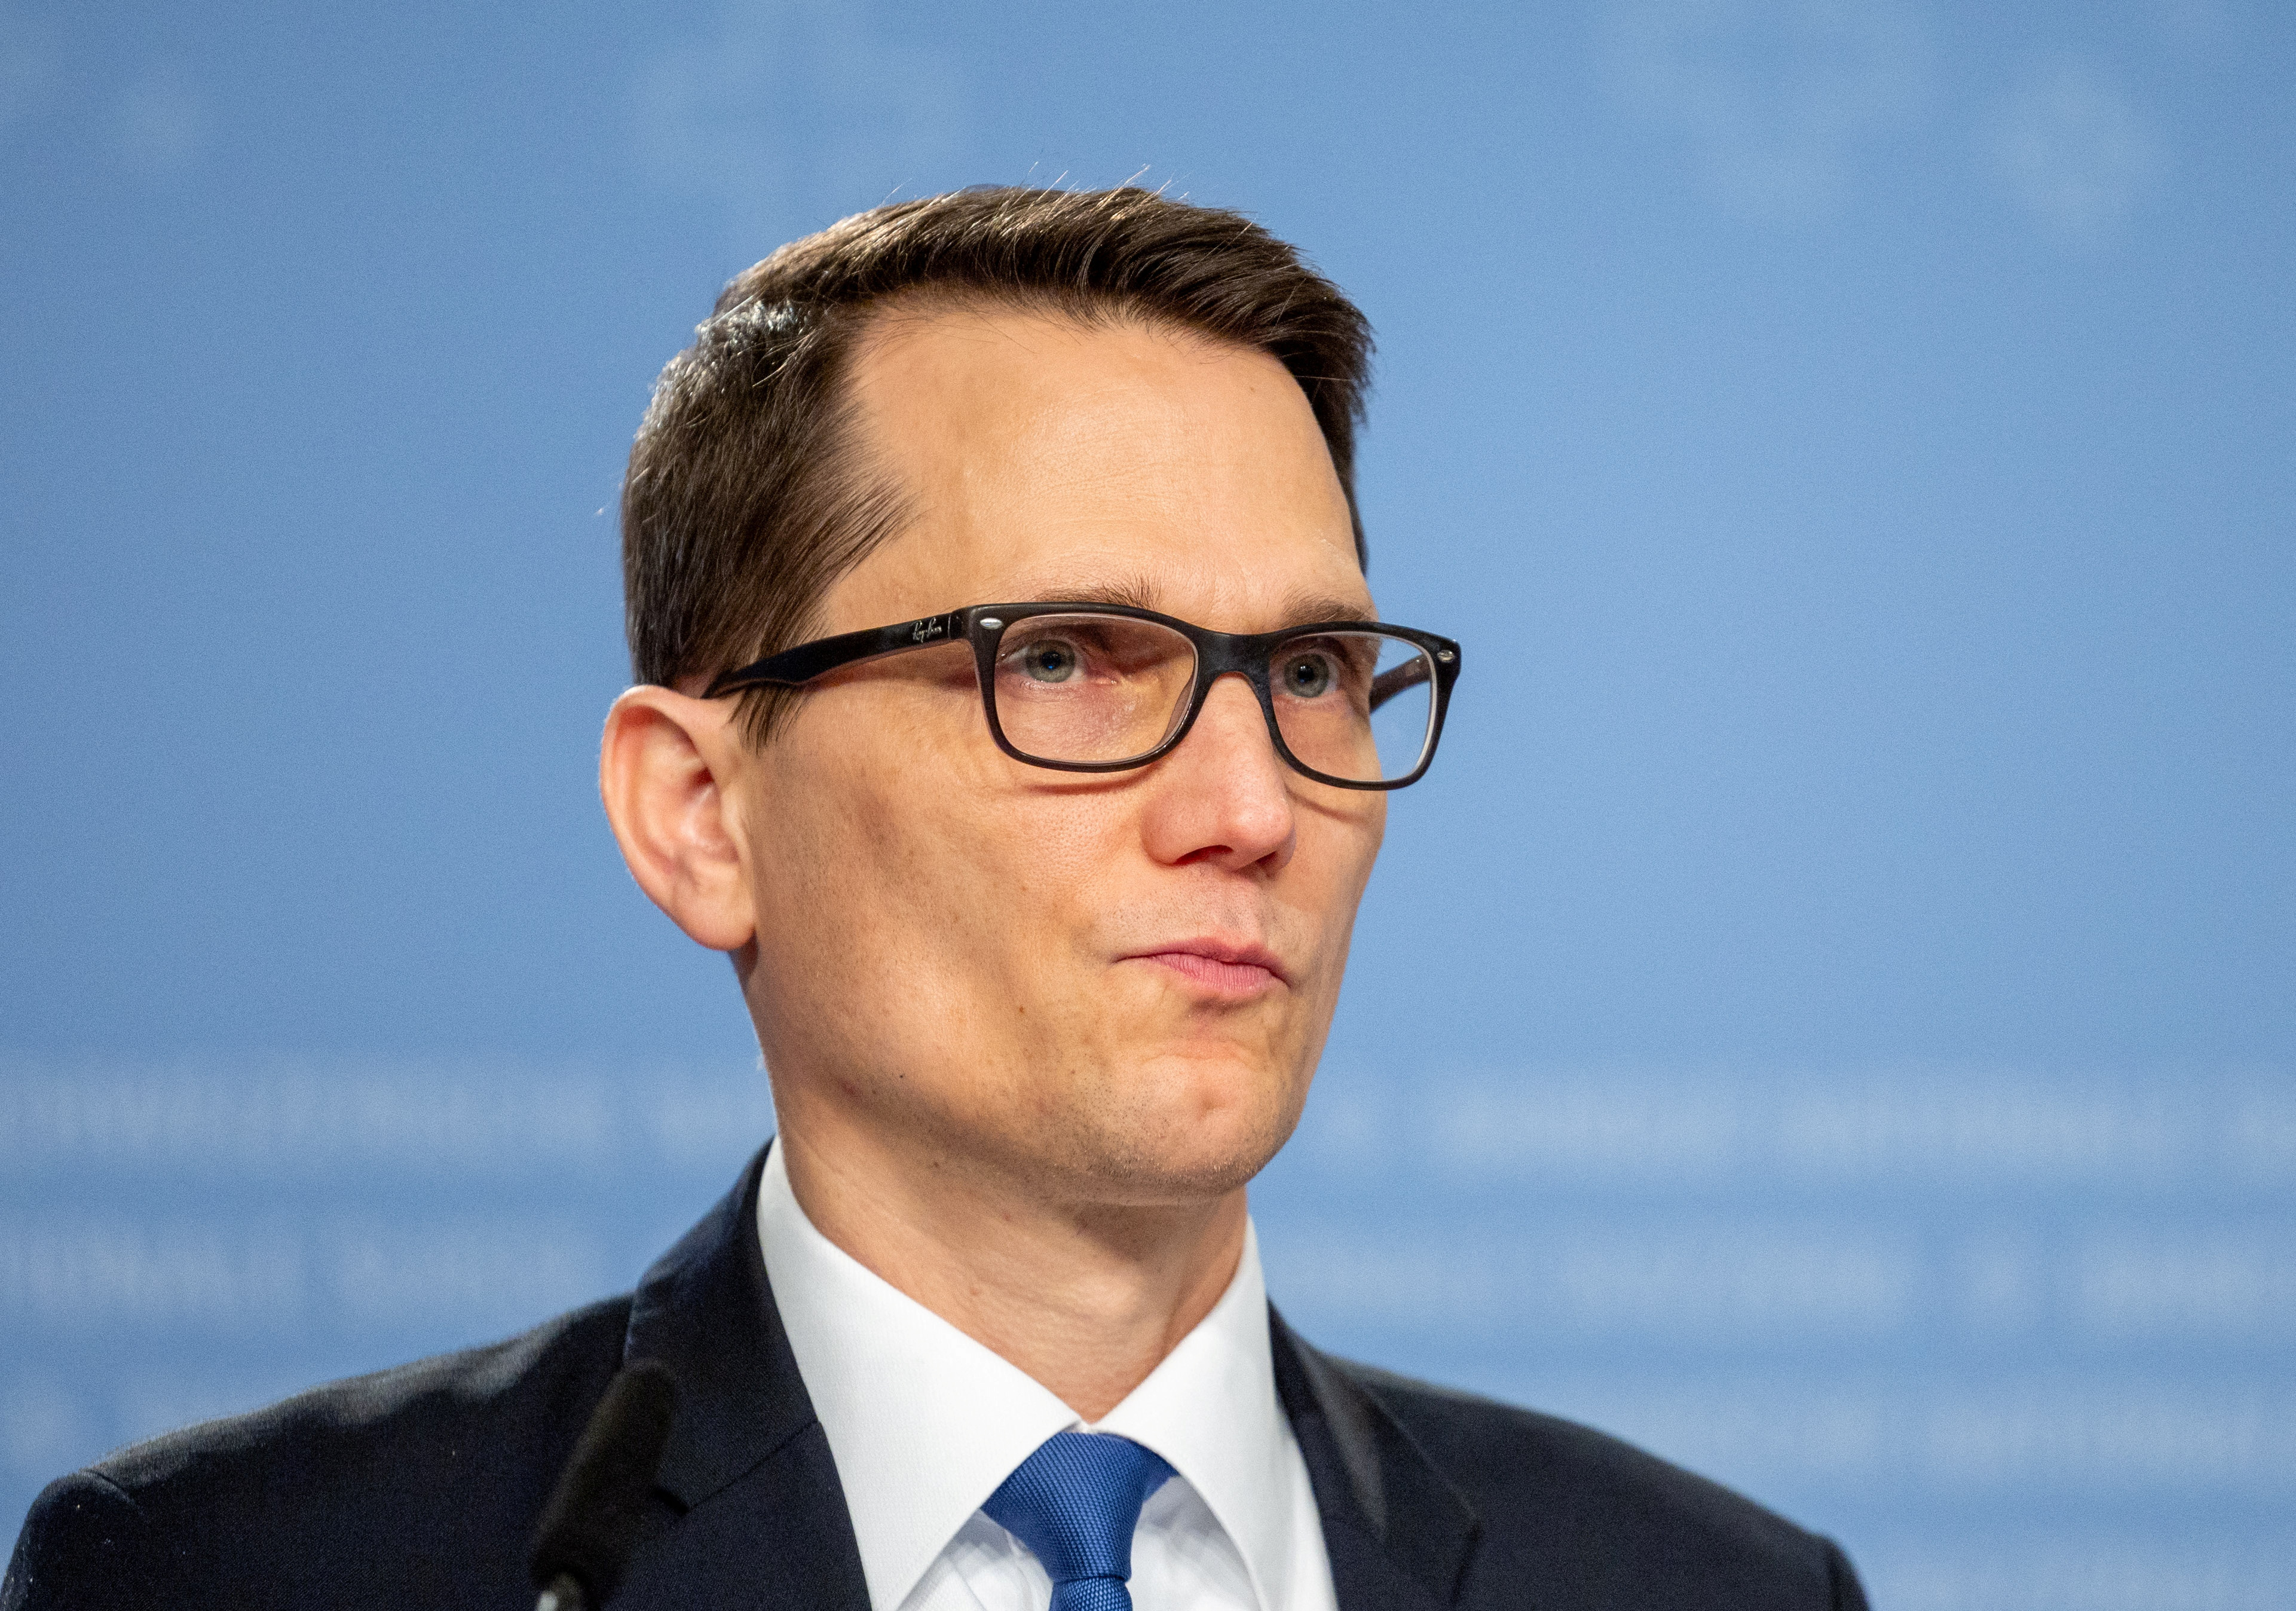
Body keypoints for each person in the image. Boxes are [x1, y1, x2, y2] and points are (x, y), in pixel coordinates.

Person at [4, 187, 1867, 1611]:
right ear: (698, 816)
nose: (1250, 809)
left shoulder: (1707, 1590)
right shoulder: (245, 1575)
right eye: (1060, 659)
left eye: (1309, 674)